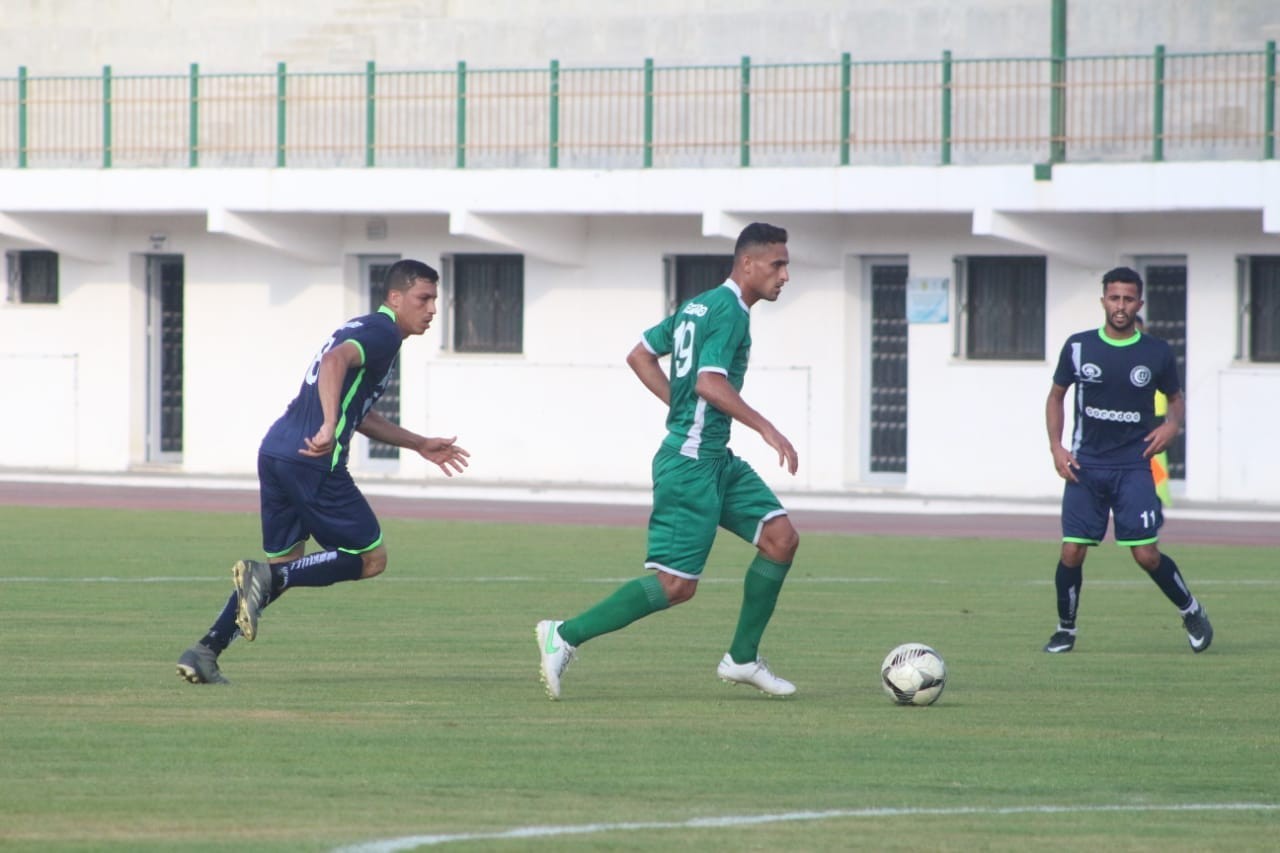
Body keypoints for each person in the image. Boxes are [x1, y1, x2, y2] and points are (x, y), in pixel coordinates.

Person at [535, 222, 801, 700]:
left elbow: (640, 355)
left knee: (780, 539)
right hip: (690, 464)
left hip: (716, 459)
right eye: (777, 264)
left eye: (786, 265)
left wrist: (681, 408)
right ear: (747, 264)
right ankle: (565, 634)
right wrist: (767, 428)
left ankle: (742, 659)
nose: (785, 275)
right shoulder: (730, 313)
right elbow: (708, 383)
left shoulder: (699, 304)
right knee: (676, 586)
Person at [176, 259, 470, 684]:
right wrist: (329, 426)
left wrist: (419, 443)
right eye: (423, 299)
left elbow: (359, 411)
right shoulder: (383, 332)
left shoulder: (363, 327)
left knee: (285, 566)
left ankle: (205, 651)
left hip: (277, 451)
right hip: (312, 460)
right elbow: (333, 362)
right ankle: (263, 578)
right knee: (370, 559)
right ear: (395, 297)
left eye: (434, 300)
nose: (432, 310)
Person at [1043, 266, 1211, 655]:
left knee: (1146, 554)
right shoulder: (1079, 346)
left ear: (1139, 303)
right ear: (1103, 300)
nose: (1121, 306)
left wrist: (1172, 426)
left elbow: (1176, 399)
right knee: (1071, 551)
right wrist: (1056, 447)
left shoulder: (1156, 352)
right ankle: (1065, 630)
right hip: (1085, 466)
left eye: (1128, 299)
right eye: (1114, 298)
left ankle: (1191, 611)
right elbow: (1056, 396)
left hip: (1133, 467)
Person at [1133, 315, 1173, 508]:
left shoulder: (1155, 354)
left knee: (1155, 462)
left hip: (1154, 417)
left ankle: (1157, 500)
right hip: (1130, 419)